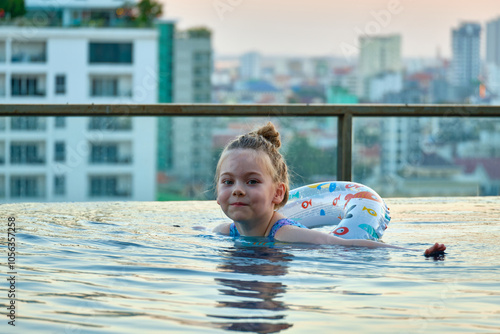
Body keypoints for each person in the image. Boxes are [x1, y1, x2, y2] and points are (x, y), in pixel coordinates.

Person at [213, 122, 446, 257]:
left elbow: (344, 244)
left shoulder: (285, 234)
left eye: (252, 181)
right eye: (228, 182)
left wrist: (413, 253)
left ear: (278, 193)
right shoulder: (226, 231)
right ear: (217, 193)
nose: (238, 190)